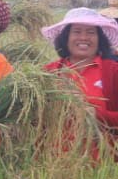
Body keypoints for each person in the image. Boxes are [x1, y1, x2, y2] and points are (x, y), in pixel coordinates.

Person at [41, 8, 118, 140]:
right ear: (66, 37)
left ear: (99, 39)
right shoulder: (49, 72)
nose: (83, 37)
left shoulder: (113, 71)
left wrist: (96, 114)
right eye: (77, 31)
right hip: (53, 158)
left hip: (103, 157)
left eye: (91, 32)